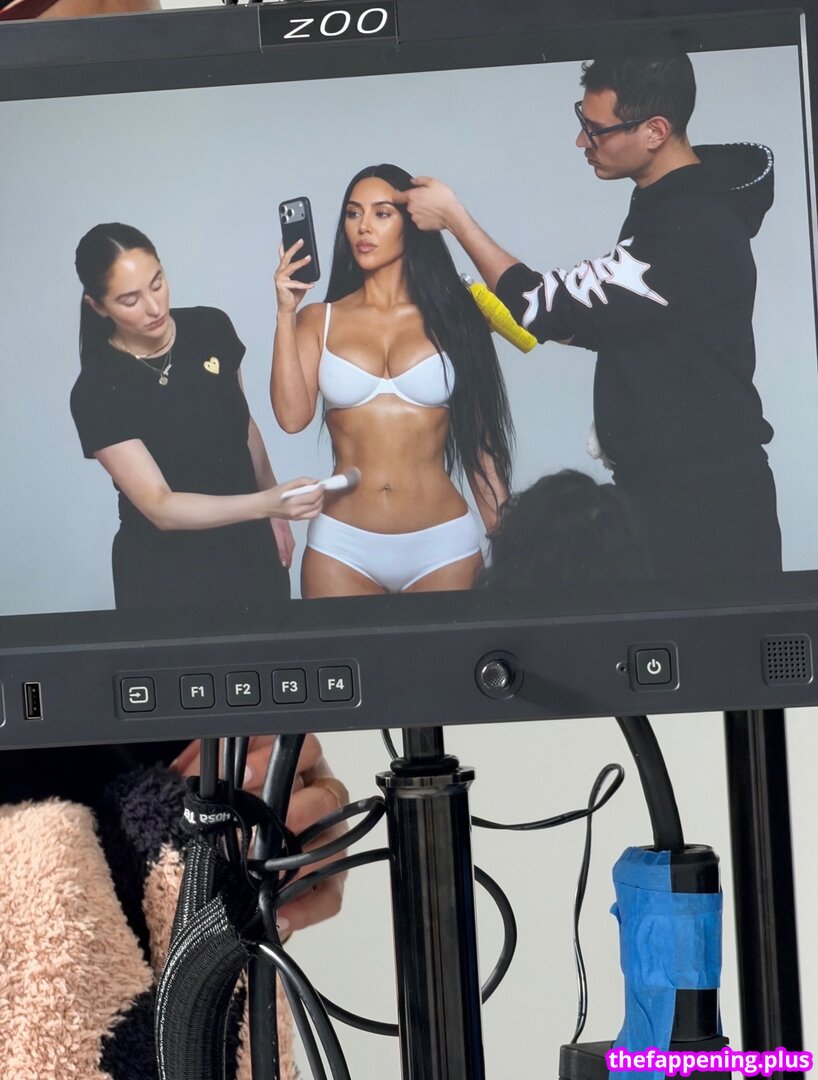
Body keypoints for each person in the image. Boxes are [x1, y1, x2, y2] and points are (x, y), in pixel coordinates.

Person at [396, 54, 782, 586]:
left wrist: (454, 218)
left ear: (655, 131)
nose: (583, 141)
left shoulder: (690, 226)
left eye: (596, 130)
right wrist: (511, 315)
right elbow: (625, 322)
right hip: (663, 491)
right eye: (583, 121)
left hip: (704, 507)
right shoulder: (666, 202)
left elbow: (541, 303)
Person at [271, 162, 514, 598]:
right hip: (342, 546)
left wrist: (512, 548)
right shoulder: (318, 320)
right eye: (353, 213)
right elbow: (292, 418)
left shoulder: (456, 319)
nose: (363, 227)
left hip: (442, 545)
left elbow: (481, 444)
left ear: (412, 224)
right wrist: (286, 314)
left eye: (382, 213)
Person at [71, 222, 324, 611]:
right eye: (130, 300)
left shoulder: (211, 327)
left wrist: (275, 508)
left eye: (157, 283)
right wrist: (267, 504)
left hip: (250, 553)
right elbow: (160, 506)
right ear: (98, 306)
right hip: (166, 577)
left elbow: (243, 427)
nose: (154, 307)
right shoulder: (97, 389)